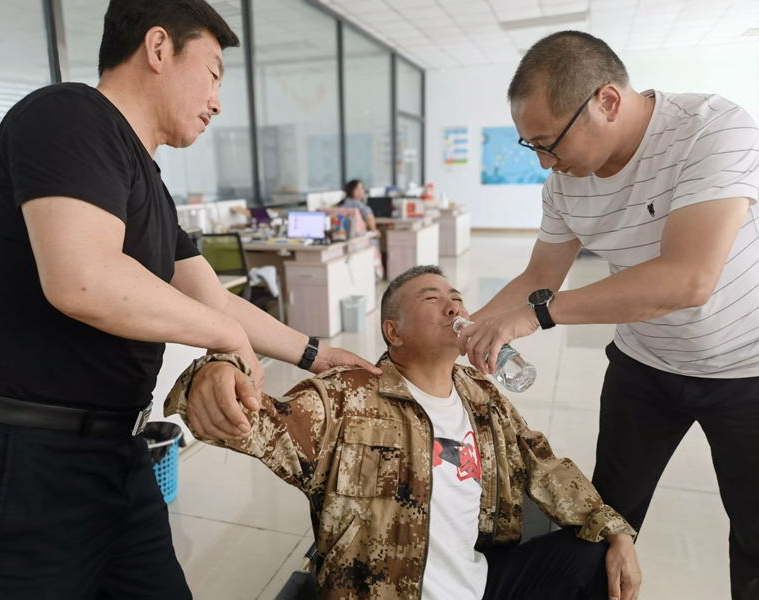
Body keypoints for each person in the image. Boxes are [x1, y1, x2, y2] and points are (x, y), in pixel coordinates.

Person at [0, 1, 378, 597]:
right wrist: (224, 339)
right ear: (158, 49)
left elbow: (217, 302)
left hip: (118, 452)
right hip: (26, 457)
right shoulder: (68, 116)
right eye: (212, 74)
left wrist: (316, 354)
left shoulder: (148, 183)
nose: (217, 101)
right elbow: (82, 278)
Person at [458, 31, 759, 600]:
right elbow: (539, 277)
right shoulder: (564, 184)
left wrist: (538, 317)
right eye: (531, 146)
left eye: (549, 142)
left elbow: (689, 278)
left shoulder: (712, 129)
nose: (545, 162)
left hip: (747, 370)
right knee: (604, 519)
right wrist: (462, 331)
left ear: (608, 102)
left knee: (754, 532)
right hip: (644, 367)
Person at [166, 265, 642, 600]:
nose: (453, 305)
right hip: (384, 591)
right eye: (432, 298)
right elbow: (250, 420)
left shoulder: (481, 395)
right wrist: (217, 368)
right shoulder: (349, 397)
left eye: (456, 296)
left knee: (595, 558)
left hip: (479, 584)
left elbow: (543, 464)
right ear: (394, 332)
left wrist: (616, 531)